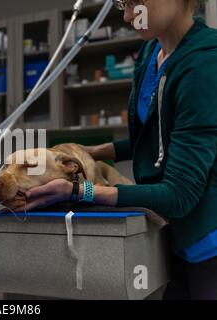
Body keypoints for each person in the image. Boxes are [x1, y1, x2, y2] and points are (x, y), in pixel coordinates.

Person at [14, 0, 217, 299]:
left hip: (207, 242)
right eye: (123, 3)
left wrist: (78, 191)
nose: (127, 15)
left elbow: (180, 194)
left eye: (137, 1)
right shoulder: (152, 52)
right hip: (174, 235)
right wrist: (96, 151)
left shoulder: (203, 65)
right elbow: (157, 141)